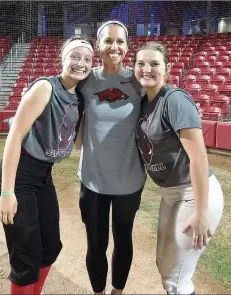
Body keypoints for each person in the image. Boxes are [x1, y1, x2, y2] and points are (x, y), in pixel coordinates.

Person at [0, 36, 94, 295]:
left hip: (42, 175)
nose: (80, 63)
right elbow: (14, 137)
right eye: (74, 56)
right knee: (26, 254)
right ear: (63, 59)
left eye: (87, 59)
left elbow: (79, 142)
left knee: (50, 246)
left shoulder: (79, 98)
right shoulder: (45, 88)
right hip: (20, 173)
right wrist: (7, 192)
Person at [134, 41, 224, 295]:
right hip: (171, 194)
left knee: (176, 278)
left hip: (193, 193)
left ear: (168, 68)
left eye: (154, 64)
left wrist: (201, 211)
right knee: (165, 266)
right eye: (140, 63)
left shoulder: (175, 100)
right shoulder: (144, 102)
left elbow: (199, 158)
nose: (147, 69)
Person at [76, 20, 146, 295]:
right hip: (93, 180)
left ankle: (117, 292)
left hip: (129, 180)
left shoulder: (138, 80)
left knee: (123, 240)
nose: (113, 46)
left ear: (127, 48)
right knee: (95, 244)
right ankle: (98, 293)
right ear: (98, 45)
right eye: (108, 41)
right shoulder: (86, 79)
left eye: (120, 42)